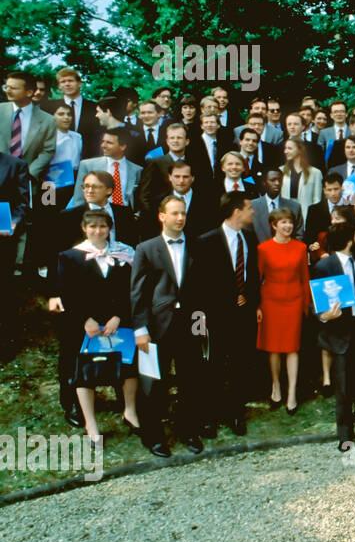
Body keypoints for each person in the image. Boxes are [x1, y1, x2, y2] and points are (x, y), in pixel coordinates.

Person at [50, 210, 138, 445]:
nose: (98, 231)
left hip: (115, 321)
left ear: (109, 229)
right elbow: (67, 292)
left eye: (102, 227)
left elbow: (128, 291)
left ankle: (130, 411)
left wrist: (118, 316)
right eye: (93, 227)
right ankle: (91, 424)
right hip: (85, 322)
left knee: (128, 366)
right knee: (85, 372)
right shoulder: (70, 257)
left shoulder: (122, 256)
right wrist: (84, 319)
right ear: (84, 229)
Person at [129, 196, 204, 457]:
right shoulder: (146, 249)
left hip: (189, 326)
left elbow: (202, 290)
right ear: (161, 216)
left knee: (190, 380)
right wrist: (140, 329)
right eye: (174, 213)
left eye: (183, 213)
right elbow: (137, 293)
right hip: (157, 327)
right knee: (153, 385)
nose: (180, 218)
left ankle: (188, 430)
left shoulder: (196, 245)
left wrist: (201, 323)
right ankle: (153, 436)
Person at [196, 191, 261, 436]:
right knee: (213, 367)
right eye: (249, 207)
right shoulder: (207, 241)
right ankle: (210, 416)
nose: (253, 211)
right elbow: (201, 282)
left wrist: (250, 299)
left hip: (243, 315)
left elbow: (253, 274)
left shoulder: (250, 238)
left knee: (240, 365)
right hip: (216, 316)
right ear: (237, 211)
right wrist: (200, 322)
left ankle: (235, 412)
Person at [313, 222, 355, 451]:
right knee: (344, 385)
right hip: (342, 332)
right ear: (353, 237)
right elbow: (317, 303)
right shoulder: (325, 266)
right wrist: (325, 316)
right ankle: (345, 435)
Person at [257, 207, 311, 412]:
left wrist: (306, 305)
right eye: (283, 222)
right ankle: (276, 387)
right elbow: (258, 280)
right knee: (273, 349)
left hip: (294, 302)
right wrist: (258, 307)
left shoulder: (300, 247)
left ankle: (292, 394)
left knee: (292, 348)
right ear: (274, 225)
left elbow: (305, 278)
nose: (288, 226)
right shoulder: (263, 249)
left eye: (290, 222)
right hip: (271, 303)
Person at [281, 136, 322, 209]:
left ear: (300, 150)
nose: (285, 151)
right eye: (285, 148)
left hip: (306, 214)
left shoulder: (316, 173)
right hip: (286, 213)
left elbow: (317, 199)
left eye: (289, 148)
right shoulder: (281, 170)